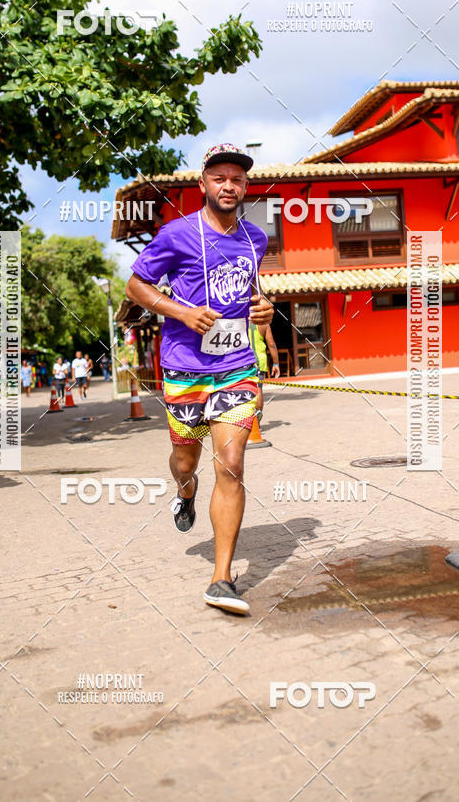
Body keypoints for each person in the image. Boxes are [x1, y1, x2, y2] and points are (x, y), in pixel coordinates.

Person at [126, 143, 273, 616]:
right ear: (203, 184)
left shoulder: (256, 239)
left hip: (237, 368)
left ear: (245, 186)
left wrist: (266, 312)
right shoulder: (177, 234)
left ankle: (222, 579)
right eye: (219, 178)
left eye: (237, 178)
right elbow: (136, 286)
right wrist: (181, 312)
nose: (229, 185)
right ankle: (184, 491)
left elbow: (250, 288)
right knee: (186, 461)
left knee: (231, 464)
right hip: (185, 369)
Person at [248, 322, 280, 423]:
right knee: (258, 388)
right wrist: (276, 364)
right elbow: (272, 344)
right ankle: (257, 414)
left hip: (243, 360)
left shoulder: (241, 317)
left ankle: (247, 419)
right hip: (259, 361)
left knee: (242, 388)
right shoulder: (263, 323)